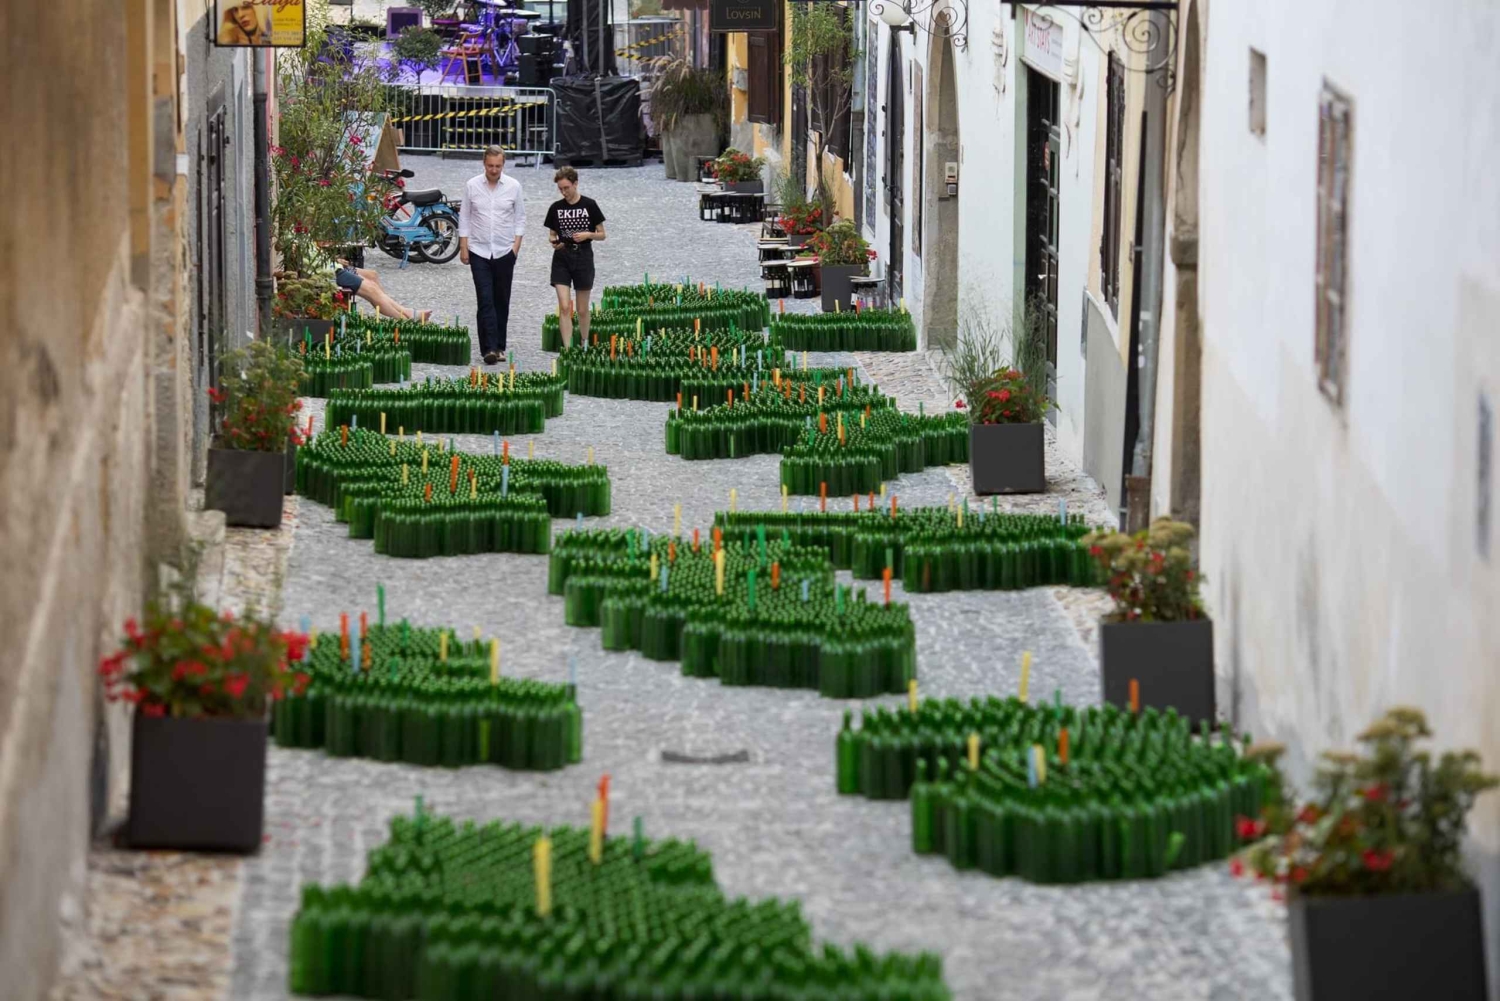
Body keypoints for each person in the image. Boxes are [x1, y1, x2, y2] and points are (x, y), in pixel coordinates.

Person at [458, 146, 525, 365]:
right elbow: (465, 217)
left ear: (503, 165)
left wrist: (515, 248)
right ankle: (489, 348)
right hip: (479, 250)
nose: (494, 170)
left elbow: (520, 219)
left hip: (505, 250)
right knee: (485, 298)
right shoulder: (472, 185)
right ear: (483, 163)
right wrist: (464, 246)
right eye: (490, 166)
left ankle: (500, 345)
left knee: (501, 299)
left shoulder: (514, 187)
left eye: (497, 166)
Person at [543, 167, 606, 349]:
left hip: (583, 256)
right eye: (561, 189)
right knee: (564, 306)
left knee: (582, 308)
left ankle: (585, 343)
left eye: (567, 188)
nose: (564, 192)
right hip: (562, 257)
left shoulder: (589, 205)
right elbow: (552, 234)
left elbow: (602, 234)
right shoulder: (556, 208)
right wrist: (553, 241)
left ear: (575, 184)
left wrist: (588, 234)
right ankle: (568, 348)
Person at [333, 261, 431, 323]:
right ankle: (405, 320)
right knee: (371, 289)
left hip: (333, 266)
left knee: (373, 275)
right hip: (330, 271)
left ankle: (404, 311)